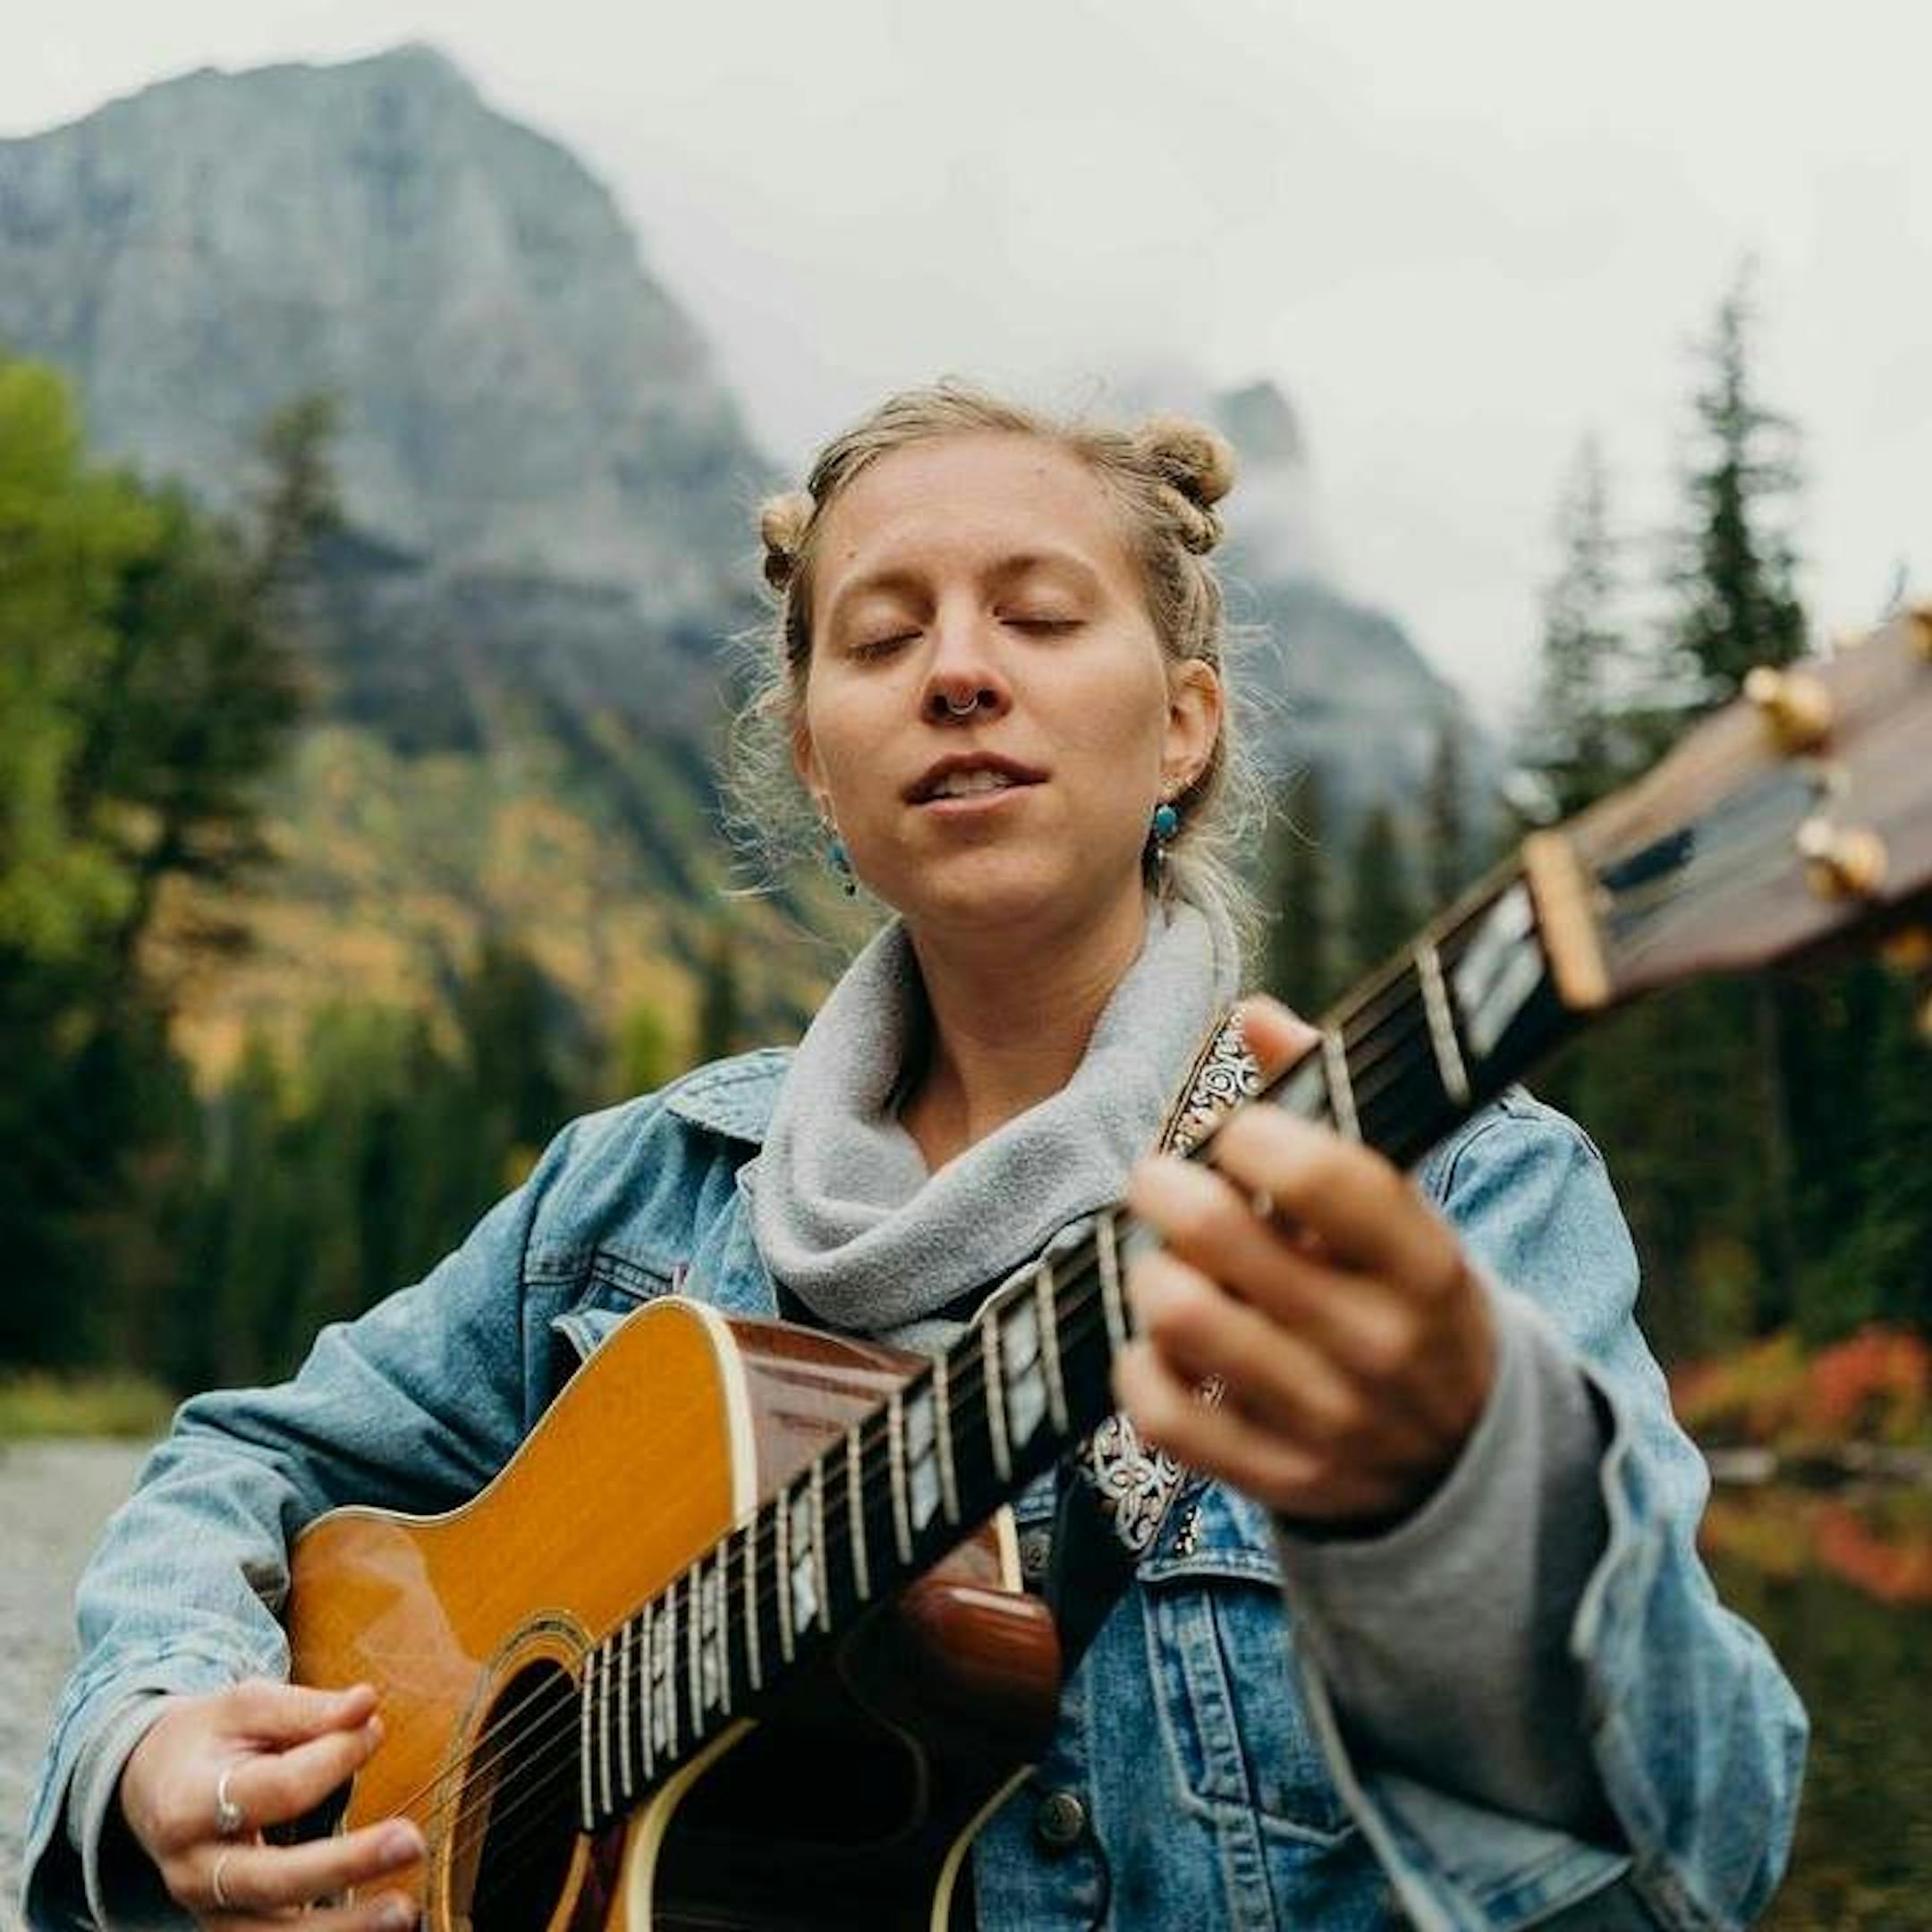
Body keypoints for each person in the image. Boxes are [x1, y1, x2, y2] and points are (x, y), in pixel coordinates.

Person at [21, 385, 1805, 1932]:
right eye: (880, 641)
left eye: (1038, 618)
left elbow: (1700, 1855)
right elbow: (244, 1463)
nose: (958, 673)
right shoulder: (634, 1198)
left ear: (1180, 726)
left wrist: (1455, 1495)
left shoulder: (1445, 1195)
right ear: (815, 758)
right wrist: (155, 1728)